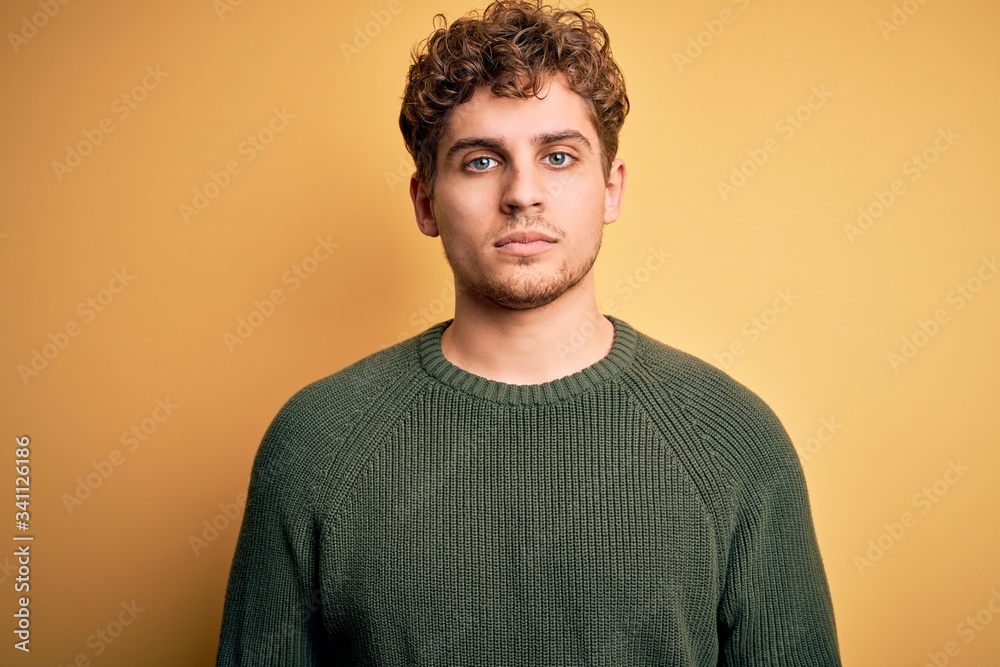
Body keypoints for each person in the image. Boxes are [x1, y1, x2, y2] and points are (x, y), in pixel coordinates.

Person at [216, 1, 842, 664]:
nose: (523, 193)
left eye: (560, 156)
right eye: (482, 161)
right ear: (426, 202)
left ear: (610, 189)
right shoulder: (317, 441)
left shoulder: (733, 438)